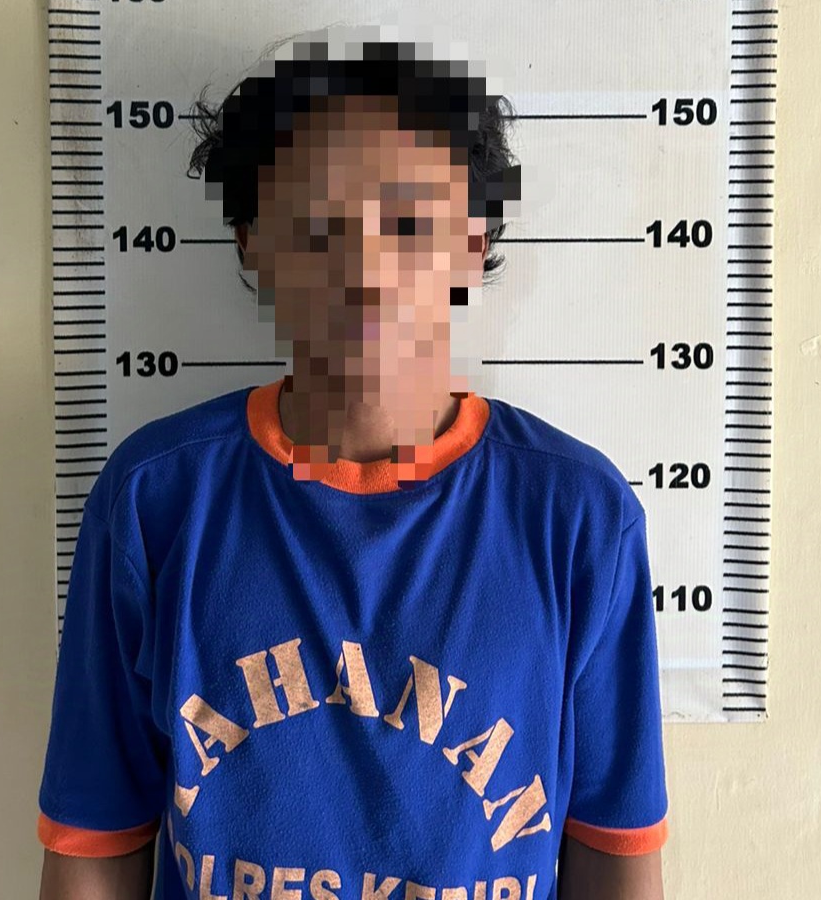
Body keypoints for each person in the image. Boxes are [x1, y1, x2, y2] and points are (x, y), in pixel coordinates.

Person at [37, 31, 668, 900]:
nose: (365, 266)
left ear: (473, 241)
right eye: (317, 226)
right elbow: (95, 839)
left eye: (409, 222)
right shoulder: (154, 500)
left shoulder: (578, 518)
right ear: (251, 243)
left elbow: (614, 845)